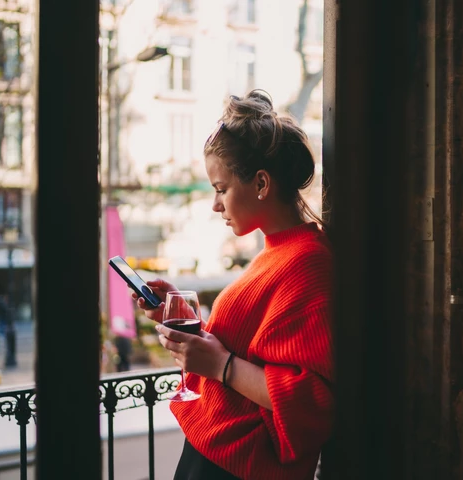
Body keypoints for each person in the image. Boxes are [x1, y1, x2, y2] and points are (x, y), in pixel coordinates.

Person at [133, 90, 333, 480]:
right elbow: (250, 347)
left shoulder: (308, 262)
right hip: (217, 455)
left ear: (261, 183)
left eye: (221, 188)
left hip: (237, 468)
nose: (215, 204)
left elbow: (314, 400)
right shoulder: (277, 252)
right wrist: (182, 312)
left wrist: (221, 367)